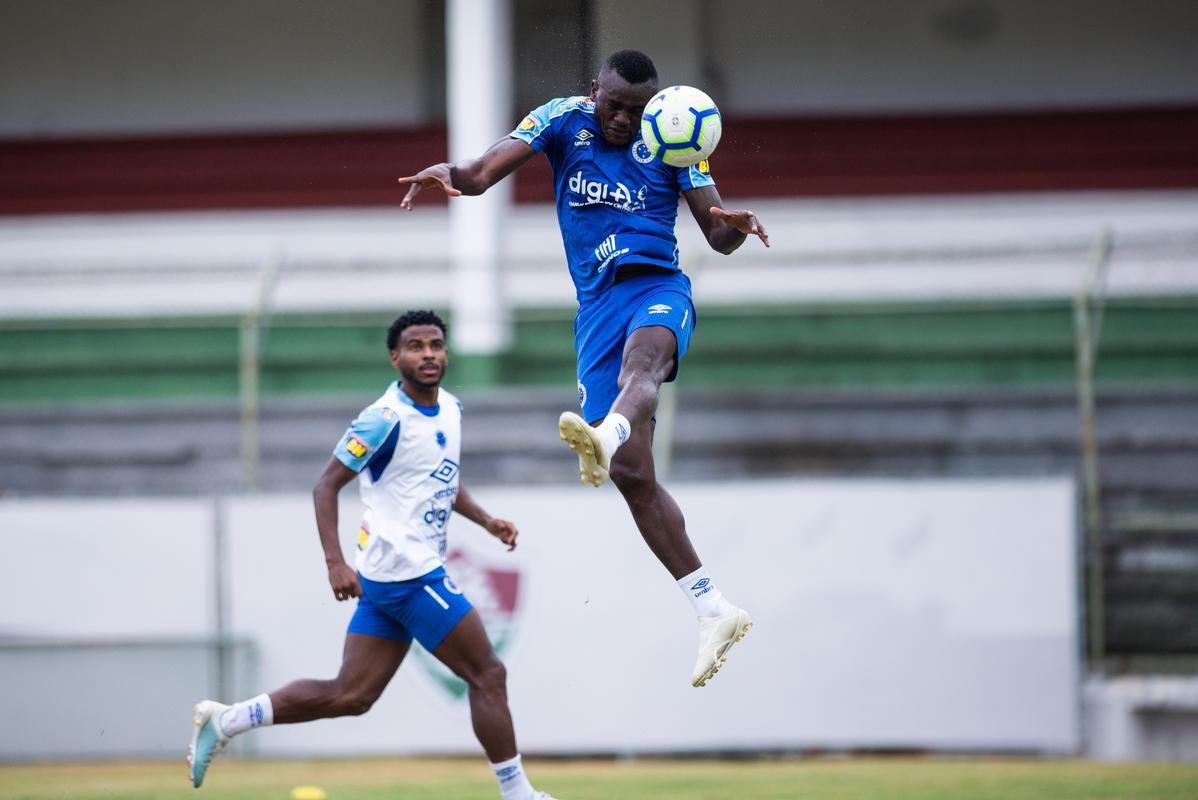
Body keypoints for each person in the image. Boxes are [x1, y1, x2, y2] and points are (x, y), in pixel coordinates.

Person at [398, 50, 767, 688]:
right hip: (597, 309)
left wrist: (734, 226)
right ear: (595, 91)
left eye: (635, 110)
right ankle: (713, 608)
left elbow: (717, 232)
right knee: (632, 476)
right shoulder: (561, 120)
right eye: (614, 105)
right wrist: (449, 173)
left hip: (656, 287)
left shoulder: (672, 131)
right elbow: (481, 174)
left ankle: (606, 434)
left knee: (642, 367)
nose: (623, 119)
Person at [187, 310, 558, 800]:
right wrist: (334, 563)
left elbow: (441, 478)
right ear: (395, 357)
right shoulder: (383, 419)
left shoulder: (451, 408)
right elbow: (325, 486)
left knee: (352, 694)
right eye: (415, 347)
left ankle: (228, 719)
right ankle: (518, 795)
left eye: (436, 345)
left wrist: (486, 520)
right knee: (487, 673)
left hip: (391, 574)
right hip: (408, 572)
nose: (428, 354)